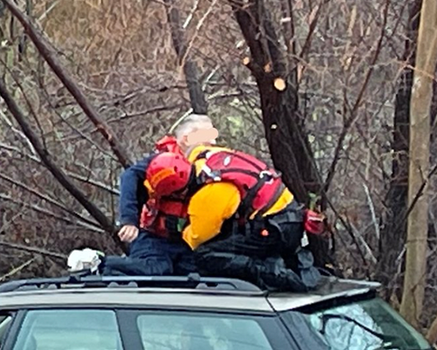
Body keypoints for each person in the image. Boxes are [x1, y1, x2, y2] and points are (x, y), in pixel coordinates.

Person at [179, 144, 321, 291]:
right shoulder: (209, 155)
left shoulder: (209, 192)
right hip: (291, 214)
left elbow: (197, 239)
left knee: (205, 255)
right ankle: (282, 261)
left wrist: (180, 227)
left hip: (274, 228)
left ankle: (268, 273)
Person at [101, 114, 221, 276]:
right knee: (156, 270)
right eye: (207, 137)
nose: (213, 143)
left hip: (188, 241)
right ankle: (100, 265)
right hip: (153, 238)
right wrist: (129, 221)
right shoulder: (163, 161)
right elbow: (130, 176)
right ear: (186, 139)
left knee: (204, 275)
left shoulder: (212, 165)